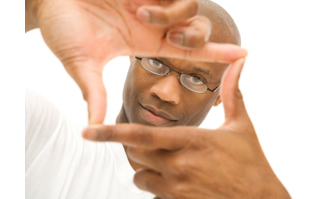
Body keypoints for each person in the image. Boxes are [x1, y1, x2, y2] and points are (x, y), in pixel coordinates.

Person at [25, 1, 290, 199]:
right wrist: (34, 8)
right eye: (156, 61)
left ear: (220, 94)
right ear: (132, 54)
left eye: (197, 79)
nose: (165, 93)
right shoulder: (46, 141)